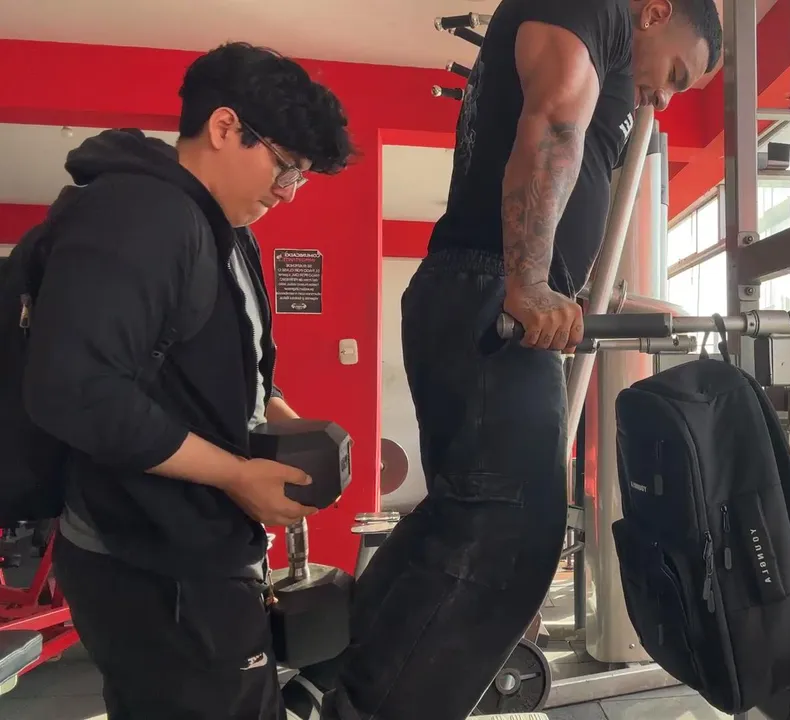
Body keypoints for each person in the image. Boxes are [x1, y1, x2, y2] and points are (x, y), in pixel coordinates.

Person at [321, 0, 722, 717]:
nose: (665, 98)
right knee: (508, 541)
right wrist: (529, 282)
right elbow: (555, 121)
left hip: (482, 289)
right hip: (491, 290)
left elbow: (570, 169)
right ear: (657, 11)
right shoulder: (594, 8)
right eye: (677, 75)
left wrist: (582, 291)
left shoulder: (608, 52)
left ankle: (339, 678)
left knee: (464, 518)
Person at [26, 42, 354, 719]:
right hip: (149, 556)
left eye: (301, 177)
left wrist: (286, 424)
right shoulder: (138, 214)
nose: (287, 191)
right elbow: (76, 389)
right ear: (225, 126)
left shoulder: (228, 232)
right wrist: (236, 474)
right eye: (284, 166)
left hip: (200, 547)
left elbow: (234, 370)